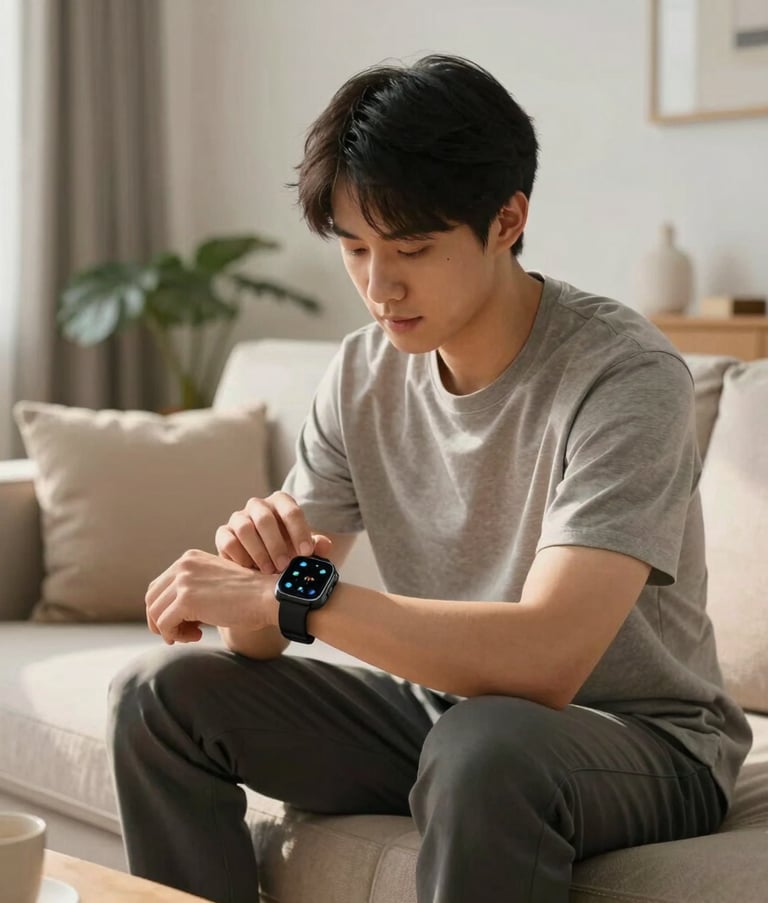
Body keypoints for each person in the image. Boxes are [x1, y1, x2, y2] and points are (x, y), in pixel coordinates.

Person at [107, 54, 752, 903]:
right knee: (158, 697)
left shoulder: (623, 374)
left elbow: (550, 656)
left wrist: (289, 599)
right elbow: (267, 634)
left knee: (484, 746)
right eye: (357, 247)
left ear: (507, 220)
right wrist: (254, 580)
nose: (380, 285)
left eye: (412, 247)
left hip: (644, 740)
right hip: (446, 714)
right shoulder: (359, 374)